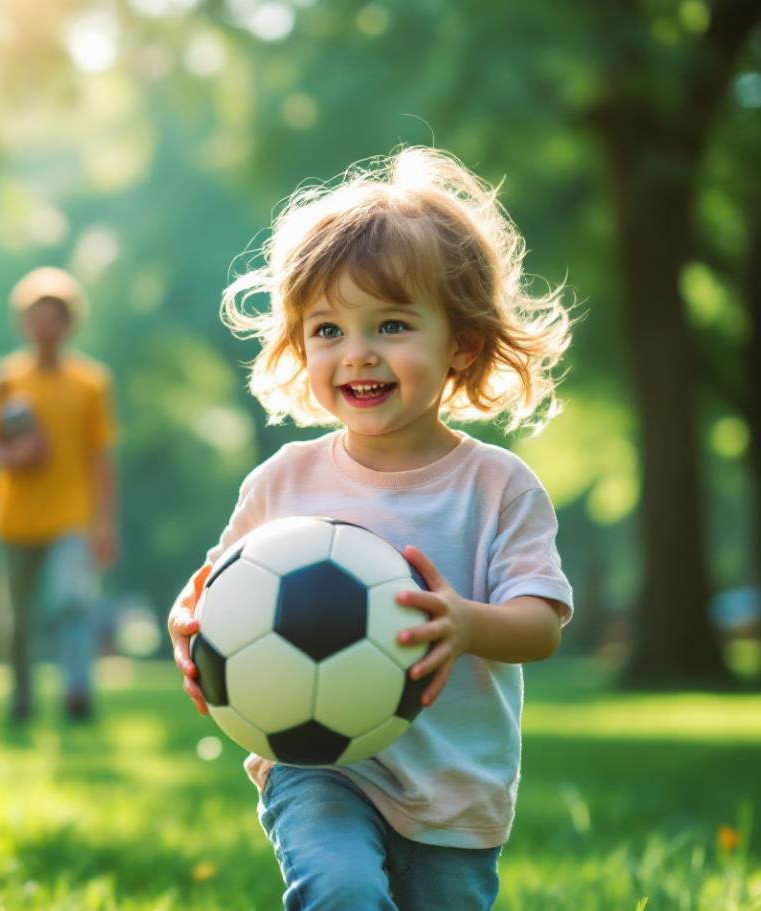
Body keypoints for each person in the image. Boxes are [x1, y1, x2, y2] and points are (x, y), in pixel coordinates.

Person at [166, 148, 575, 910]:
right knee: (340, 888)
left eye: (390, 323)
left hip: (453, 789)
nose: (357, 352)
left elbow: (540, 624)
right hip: (314, 765)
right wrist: (187, 625)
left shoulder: (496, 487)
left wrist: (465, 622)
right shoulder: (282, 481)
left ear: (462, 341)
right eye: (326, 329)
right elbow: (215, 594)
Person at [0, 267, 118, 723]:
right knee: (14, 624)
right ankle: (20, 701)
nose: (44, 325)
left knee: (72, 601)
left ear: (69, 322)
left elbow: (100, 458)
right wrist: (14, 453)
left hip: (71, 515)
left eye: (54, 316)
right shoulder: (0, 380)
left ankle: (77, 691)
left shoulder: (91, 383)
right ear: (23, 321)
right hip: (13, 518)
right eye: (36, 315)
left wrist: (106, 525)